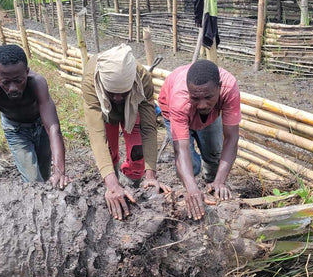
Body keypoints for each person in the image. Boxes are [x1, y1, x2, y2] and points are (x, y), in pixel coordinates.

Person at [81, 43, 169, 220]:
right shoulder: (91, 81)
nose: (118, 98)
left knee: (138, 152)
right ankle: (113, 186)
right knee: (109, 151)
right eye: (113, 93)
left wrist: (151, 174)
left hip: (133, 106)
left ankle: (134, 188)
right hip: (105, 112)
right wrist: (112, 184)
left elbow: (149, 128)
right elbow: (97, 136)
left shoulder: (142, 78)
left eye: (123, 93)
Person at [0, 44, 68, 191]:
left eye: (18, 80)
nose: (12, 88)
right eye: (5, 82)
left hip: (41, 126)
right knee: (33, 181)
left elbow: (52, 128)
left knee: (46, 177)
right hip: (16, 131)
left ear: (27, 71)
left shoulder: (37, 83)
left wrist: (60, 171)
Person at [158, 59, 241, 221]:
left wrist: (220, 181)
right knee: (191, 164)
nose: (202, 105)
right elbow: (180, 149)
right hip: (175, 110)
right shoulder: (179, 99)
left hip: (212, 114)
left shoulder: (229, 88)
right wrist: (191, 189)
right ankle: (192, 191)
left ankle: (212, 185)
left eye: (208, 97)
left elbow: (231, 137)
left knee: (214, 153)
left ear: (219, 87)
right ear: (189, 91)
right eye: (196, 98)